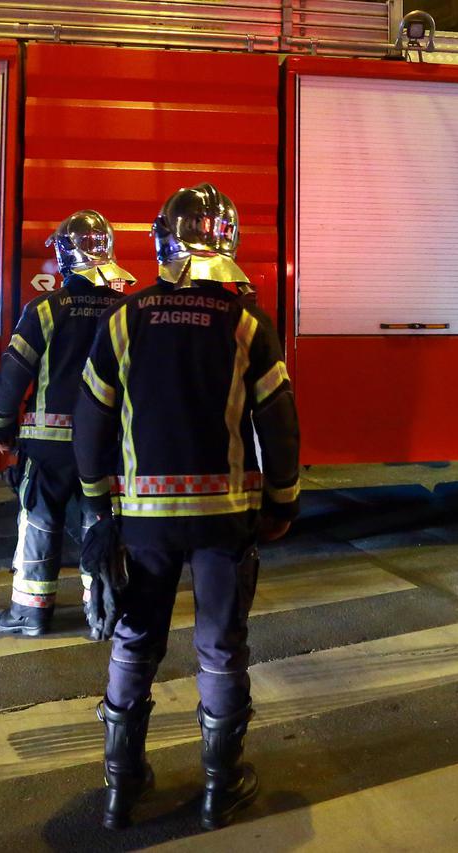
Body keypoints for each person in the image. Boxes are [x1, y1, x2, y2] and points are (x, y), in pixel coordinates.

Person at [73, 183, 300, 831]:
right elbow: (279, 422)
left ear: (161, 240)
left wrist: (97, 505)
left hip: (141, 520)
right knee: (221, 647)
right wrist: (282, 502)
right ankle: (218, 788)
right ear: (227, 241)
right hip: (223, 519)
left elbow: (91, 418)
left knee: (133, 638)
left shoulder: (127, 316)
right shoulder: (245, 321)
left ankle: (121, 787)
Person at [0, 210, 132, 636]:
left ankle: (30, 613)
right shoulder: (125, 312)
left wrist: (0, 429)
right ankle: (100, 608)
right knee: (99, 519)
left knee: (39, 521)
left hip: (47, 447)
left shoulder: (45, 309)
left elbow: (14, 371)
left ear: (66, 259)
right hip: (105, 444)